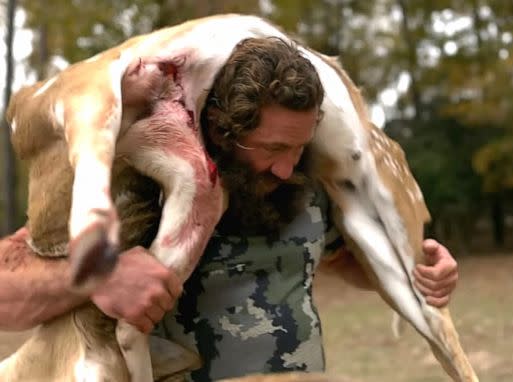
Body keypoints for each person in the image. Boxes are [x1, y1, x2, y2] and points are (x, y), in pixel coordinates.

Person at [0, 37, 458, 381]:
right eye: (274, 148)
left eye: (298, 147)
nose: (286, 168)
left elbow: (340, 261)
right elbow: (7, 291)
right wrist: (99, 275)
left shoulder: (304, 184)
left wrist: (423, 273)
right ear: (222, 129)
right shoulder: (141, 174)